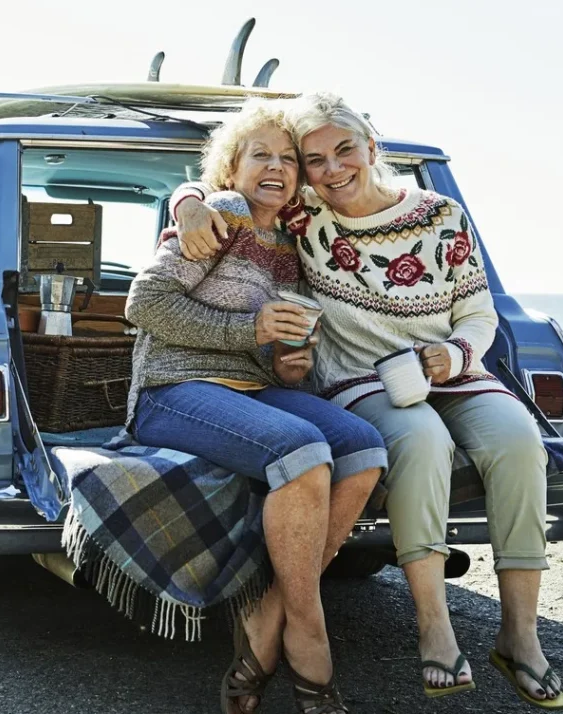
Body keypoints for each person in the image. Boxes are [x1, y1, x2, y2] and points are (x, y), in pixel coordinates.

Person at [169, 92, 563, 709]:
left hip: (454, 372)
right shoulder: (305, 216)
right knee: (424, 440)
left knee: (519, 439)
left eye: (344, 151)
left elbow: (478, 312)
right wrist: (186, 200)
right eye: (315, 159)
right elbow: (237, 187)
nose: (331, 169)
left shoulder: (440, 213)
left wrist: (456, 355)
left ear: (373, 148)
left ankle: (520, 636)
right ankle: (434, 626)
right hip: (362, 380)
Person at [124, 99, 387, 714]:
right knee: (303, 450)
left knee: (364, 446)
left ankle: (269, 622)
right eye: (259, 155)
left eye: (288, 158)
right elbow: (145, 303)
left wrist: (287, 360)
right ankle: (311, 634)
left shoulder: (292, 241)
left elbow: (272, 348)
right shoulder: (224, 213)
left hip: (252, 388)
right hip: (173, 390)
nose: (277, 166)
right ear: (231, 168)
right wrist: (251, 330)